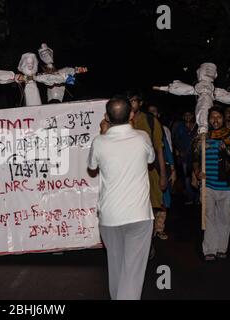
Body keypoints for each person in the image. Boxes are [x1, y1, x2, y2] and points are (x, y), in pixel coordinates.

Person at [88, 96, 154, 300]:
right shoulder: (142, 137)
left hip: (110, 216)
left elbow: (92, 167)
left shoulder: (99, 141)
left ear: (106, 116)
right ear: (132, 114)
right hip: (139, 215)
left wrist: (103, 132)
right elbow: (151, 159)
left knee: (115, 266)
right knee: (132, 271)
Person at [193, 106, 230, 261]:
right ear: (208, 119)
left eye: (218, 117)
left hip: (226, 186)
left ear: (223, 119)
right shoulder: (203, 137)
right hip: (208, 185)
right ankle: (209, 249)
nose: (215, 120)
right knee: (209, 217)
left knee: (224, 218)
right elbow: (195, 158)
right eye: (212, 117)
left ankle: (221, 247)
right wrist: (198, 173)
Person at [126, 91, 166, 255]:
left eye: (134, 100)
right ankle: (135, 245)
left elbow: (159, 149)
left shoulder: (150, 120)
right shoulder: (121, 121)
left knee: (150, 209)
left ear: (140, 103)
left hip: (149, 172)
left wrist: (163, 174)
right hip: (127, 175)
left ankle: (148, 243)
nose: (131, 104)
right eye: (128, 101)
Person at [147, 104, 177, 240]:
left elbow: (168, 151)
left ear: (158, 114)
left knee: (164, 200)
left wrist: (172, 169)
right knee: (150, 200)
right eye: (150, 112)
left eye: (155, 112)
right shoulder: (143, 128)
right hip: (147, 169)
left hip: (162, 168)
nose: (152, 114)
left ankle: (159, 228)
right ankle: (150, 231)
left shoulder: (164, 130)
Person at [172, 111, 198, 204]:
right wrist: (179, 151)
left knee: (197, 175)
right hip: (185, 157)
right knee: (187, 177)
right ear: (183, 116)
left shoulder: (197, 126)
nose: (188, 116)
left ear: (193, 115)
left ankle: (198, 197)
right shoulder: (180, 127)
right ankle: (190, 197)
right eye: (186, 115)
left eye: (189, 114)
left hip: (196, 157)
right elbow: (176, 140)